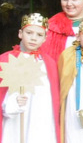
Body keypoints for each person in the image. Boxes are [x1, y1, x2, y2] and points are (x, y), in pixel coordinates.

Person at [0, 13, 60, 143]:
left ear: (45, 39)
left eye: (39, 35)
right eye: (29, 33)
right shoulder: (5, 60)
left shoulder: (48, 63)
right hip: (14, 123)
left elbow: (51, 99)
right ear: (20, 34)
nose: (33, 38)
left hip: (40, 122)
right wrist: (12, 102)